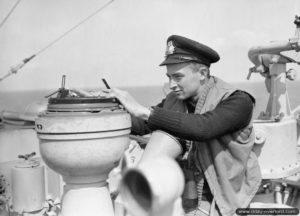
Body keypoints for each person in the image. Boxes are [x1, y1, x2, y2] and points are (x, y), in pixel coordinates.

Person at [82, 35, 262, 216]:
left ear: (202, 73)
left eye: (178, 77)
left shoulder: (238, 101)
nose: (171, 85)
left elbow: (204, 127)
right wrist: (101, 110)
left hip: (223, 200)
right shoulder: (175, 100)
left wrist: (144, 111)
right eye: (169, 77)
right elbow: (142, 125)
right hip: (186, 196)